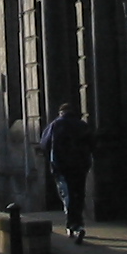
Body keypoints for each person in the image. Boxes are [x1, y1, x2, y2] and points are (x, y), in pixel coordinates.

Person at [40, 100, 93, 242]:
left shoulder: (55, 125)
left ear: (61, 113)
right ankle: (77, 223)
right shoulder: (82, 125)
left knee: (67, 194)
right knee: (79, 193)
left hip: (61, 167)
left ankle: (74, 225)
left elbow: (44, 144)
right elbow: (92, 144)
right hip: (81, 166)